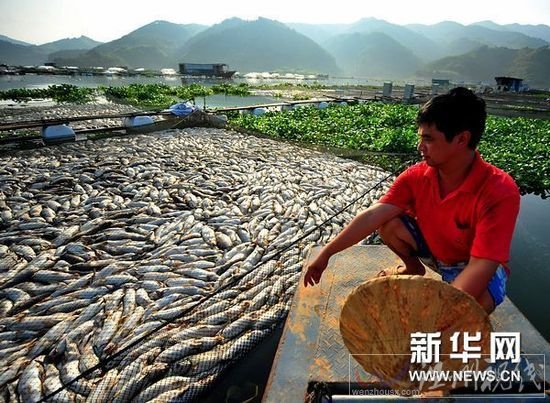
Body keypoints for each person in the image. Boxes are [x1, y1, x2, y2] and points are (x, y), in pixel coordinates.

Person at [303, 87, 520, 314]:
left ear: (461, 139)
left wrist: (439, 309)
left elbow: (482, 264)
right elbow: (373, 215)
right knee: (388, 223)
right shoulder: (417, 175)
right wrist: (326, 253)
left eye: (428, 139)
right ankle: (413, 268)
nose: (420, 147)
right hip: (437, 253)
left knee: (474, 308)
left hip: (473, 265)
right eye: (421, 138)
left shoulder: (499, 190)